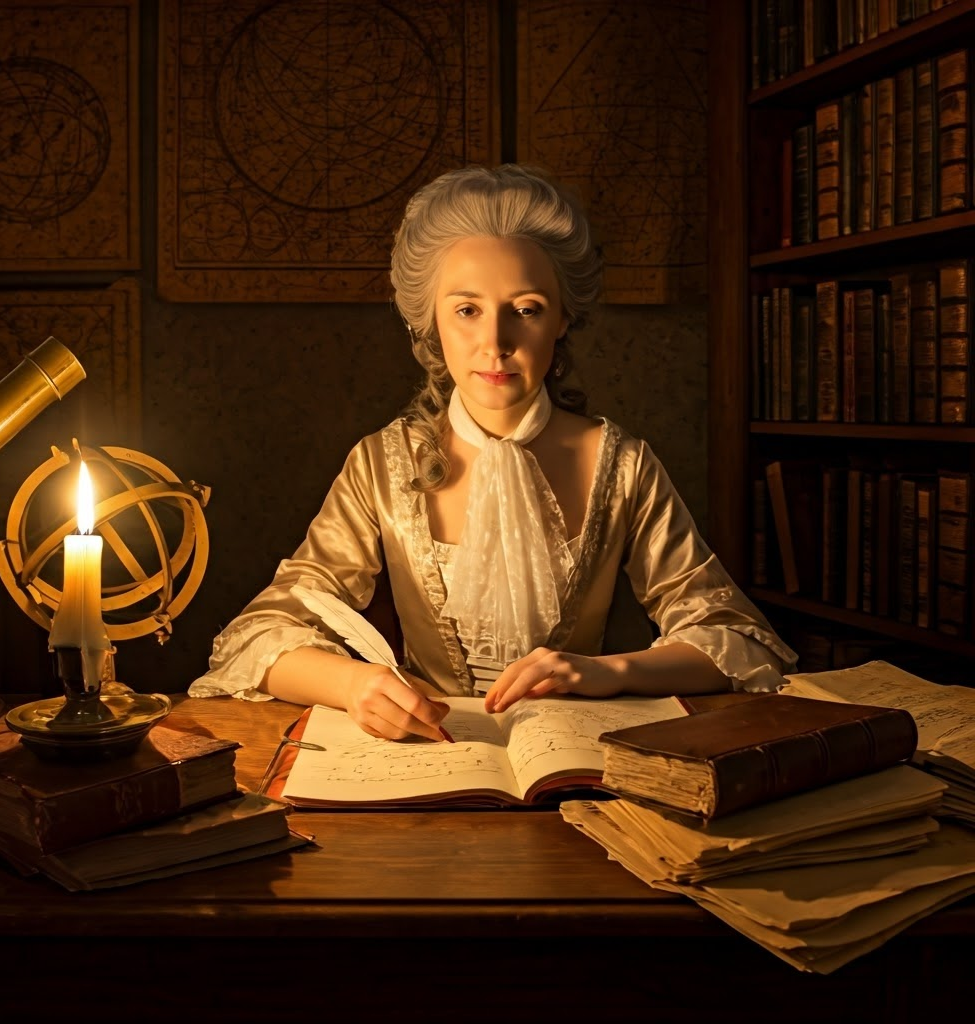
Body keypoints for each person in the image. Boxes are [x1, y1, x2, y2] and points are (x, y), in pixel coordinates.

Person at [189, 163, 796, 741]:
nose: (496, 342)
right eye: (468, 310)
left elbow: (734, 637)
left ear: (561, 319)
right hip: (427, 759)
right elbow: (259, 636)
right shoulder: (380, 465)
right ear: (432, 320)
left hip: (575, 764)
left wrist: (609, 672)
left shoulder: (622, 464)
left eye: (525, 310)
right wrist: (354, 683)